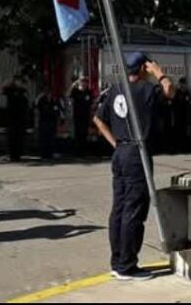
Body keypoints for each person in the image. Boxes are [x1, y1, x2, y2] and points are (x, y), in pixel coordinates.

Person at [93, 52, 175, 281]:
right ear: (142, 68)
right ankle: (127, 266)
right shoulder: (146, 89)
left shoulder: (115, 89)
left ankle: (117, 260)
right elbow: (170, 91)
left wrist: (116, 143)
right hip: (137, 152)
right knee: (134, 209)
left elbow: (98, 119)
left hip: (121, 151)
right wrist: (159, 72)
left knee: (119, 208)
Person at [2, 77, 30, 162]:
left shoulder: (23, 91)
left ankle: (18, 155)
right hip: (12, 118)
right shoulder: (10, 90)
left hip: (21, 118)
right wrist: (11, 80)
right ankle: (12, 155)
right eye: (18, 81)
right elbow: (2, 87)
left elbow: (26, 103)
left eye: (20, 82)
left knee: (20, 137)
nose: (20, 83)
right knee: (12, 137)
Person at [68, 76, 94, 156]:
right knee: (77, 133)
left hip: (85, 116)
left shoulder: (88, 92)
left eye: (85, 82)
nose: (84, 83)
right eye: (82, 81)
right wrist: (73, 85)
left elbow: (91, 103)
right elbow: (69, 95)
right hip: (77, 116)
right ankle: (77, 151)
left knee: (84, 133)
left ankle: (83, 151)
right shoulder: (75, 91)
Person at [35, 87, 63, 160]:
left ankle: (50, 154)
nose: (49, 95)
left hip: (52, 122)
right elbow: (35, 105)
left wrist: (58, 121)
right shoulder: (41, 100)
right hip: (44, 122)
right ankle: (43, 155)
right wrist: (39, 96)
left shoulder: (54, 101)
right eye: (47, 93)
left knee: (52, 139)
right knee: (44, 139)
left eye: (49, 93)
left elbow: (58, 111)